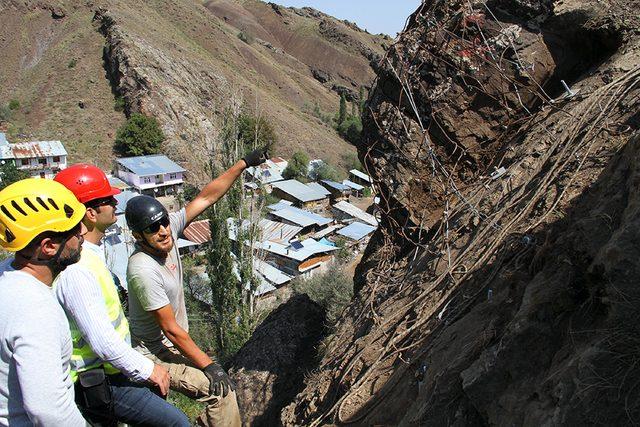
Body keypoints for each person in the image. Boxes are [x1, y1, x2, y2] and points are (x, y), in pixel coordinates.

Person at [126, 148, 267, 426]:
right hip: (154, 354)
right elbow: (170, 329)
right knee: (220, 392)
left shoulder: (169, 235)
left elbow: (206, 196)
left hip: (172, 345)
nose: (163, 231)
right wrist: (209, 365)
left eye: (164, 222)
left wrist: (243, 163)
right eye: (153, 228)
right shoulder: (142, 269)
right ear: (138, 235)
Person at [54, 164, 190, 426]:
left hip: (112, 371)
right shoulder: (78, 269)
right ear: (90, 213)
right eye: (107, 199)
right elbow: (102, 341)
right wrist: (147, 369)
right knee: (178, 423)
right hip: (99, 380)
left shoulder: (92, 254)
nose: (115, 201)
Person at [0, 178, 88, 426]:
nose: (82, 232)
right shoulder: (34, 309)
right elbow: (48, 410)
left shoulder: (7, 278)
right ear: (49, 246)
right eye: (74, 228)